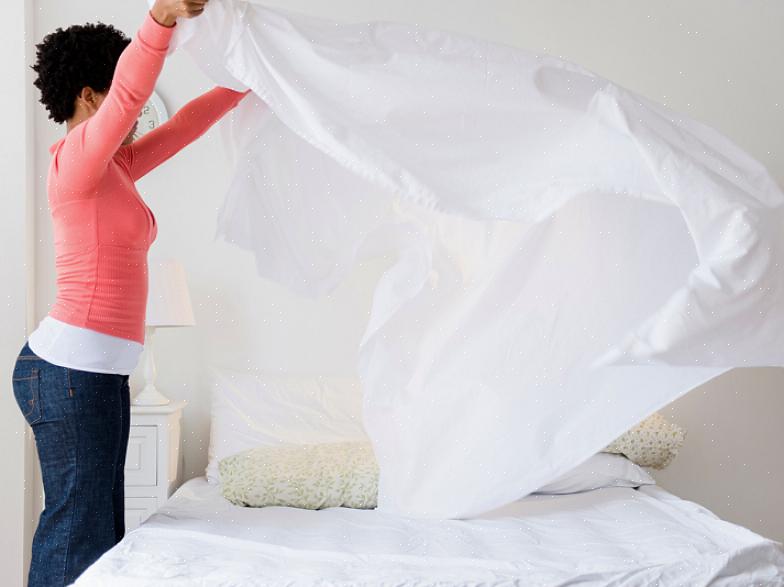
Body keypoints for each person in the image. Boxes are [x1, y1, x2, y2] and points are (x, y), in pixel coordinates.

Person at [12, 1, 252, 584]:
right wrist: (161, 21)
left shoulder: (112, 167)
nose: (139, 109)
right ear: (91, 95)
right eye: (122, 94)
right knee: (77, 532)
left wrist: (247, 81)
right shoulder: (78, 161)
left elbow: (186, 125)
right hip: (70, 374)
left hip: (89, 375)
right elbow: (128, 98)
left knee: (99, 532)